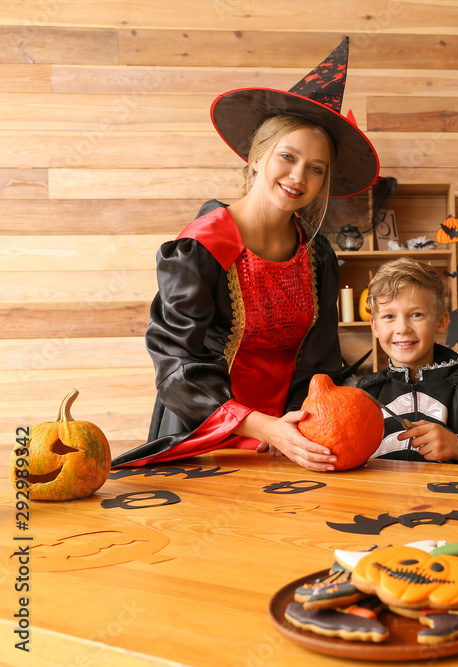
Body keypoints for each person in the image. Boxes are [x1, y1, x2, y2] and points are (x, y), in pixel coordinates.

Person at [112, 39, 380, 472]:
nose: (299, 177)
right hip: (203, 436)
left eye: (316, 168)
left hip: (291, 439)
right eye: (287, 157)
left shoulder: (319, 257)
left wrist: (297, 426)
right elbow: (177, 366)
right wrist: (261, 427)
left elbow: (320, 363)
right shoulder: (200, 247)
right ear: (257, 157)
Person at [357, 258, 458, 465]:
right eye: (389, 316)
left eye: (416, 314)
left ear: (442, 322)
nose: (402, 328)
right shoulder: (366, 395)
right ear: (375, 326)